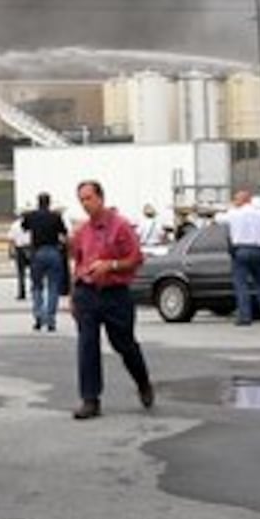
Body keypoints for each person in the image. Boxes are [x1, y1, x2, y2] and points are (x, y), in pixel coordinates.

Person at [69, 180, 153, 420]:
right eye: (82, 199)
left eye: (89, 198)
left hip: (115, 294)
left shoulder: (121, 226)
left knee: (123, 344)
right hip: (88, 293)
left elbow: (136, 258)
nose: (86, 204)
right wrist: (73, 295)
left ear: (100, 198)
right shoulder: (82, 231)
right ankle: (90, 399)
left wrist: (112, 265)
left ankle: (143, 381)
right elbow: (77, 264)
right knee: (87, 345)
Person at [224, 189, 260, 326]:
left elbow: (218, 220)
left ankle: (245, 317)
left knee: (241, 284)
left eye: (236, 199)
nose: (235, 201)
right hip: (257, 250)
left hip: (240, 251)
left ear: (243, 200)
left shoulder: (233, 214)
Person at [21, 192, 68, 332]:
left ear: (38, 202)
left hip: (37, 252)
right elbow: (63, 232)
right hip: (53, 251)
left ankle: (38, 317)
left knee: (37, 286)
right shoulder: (56, 216)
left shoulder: (31, 216)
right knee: (53, 286)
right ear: (49, 202)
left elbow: (24, 227)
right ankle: (51, 319)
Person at [6, 213, 31, 300]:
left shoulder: (15, 225)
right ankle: (34, 289)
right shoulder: (32, 223)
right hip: (31, 248)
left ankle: (22, 292)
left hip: (20, 249)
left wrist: (10, 251)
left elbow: (11, 239)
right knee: (34, 271)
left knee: (21, 272)